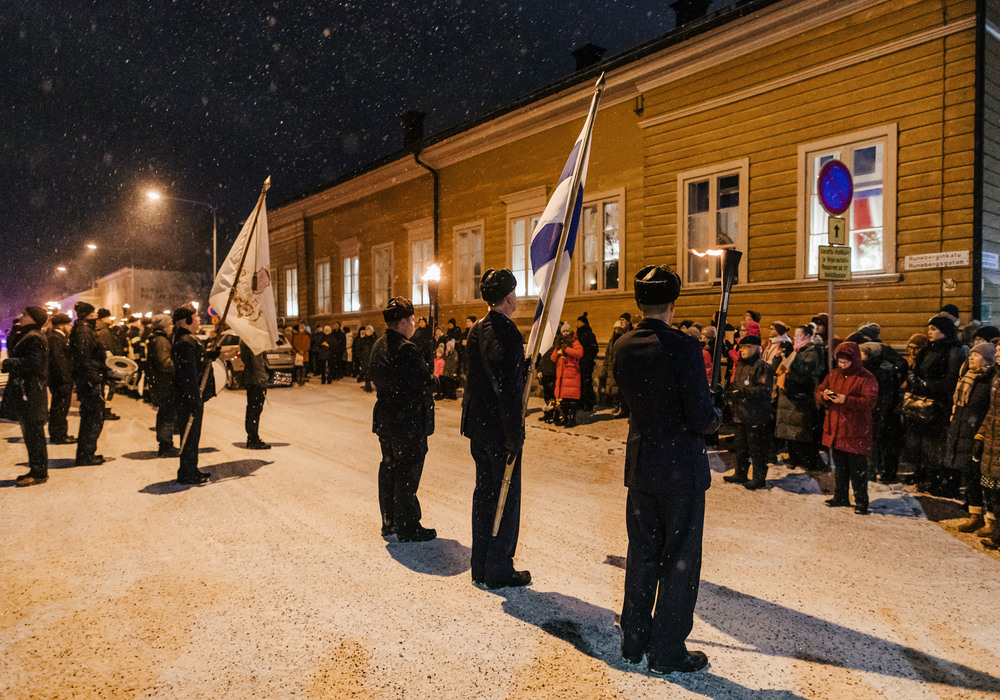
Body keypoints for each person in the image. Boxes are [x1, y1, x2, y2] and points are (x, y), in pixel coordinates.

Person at [613, 264, 721, 674]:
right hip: (680, 471)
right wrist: (716, 413)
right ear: (672, 306)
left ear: (639, 303)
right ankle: (667, 648)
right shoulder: (684, 347)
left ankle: (634, 639)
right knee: (679, 560)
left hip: (642, 466)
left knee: (641, 554)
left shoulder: (622, 345)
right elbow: (699, 416)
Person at [462, 268, 529, 589]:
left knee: (484, 495)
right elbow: (508, 390)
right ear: (509, 297)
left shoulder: (475, 330)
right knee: (505, 497)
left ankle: (480, 563)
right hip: (500, 430)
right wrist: (514, 432)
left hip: (478, 427)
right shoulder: (508, 332)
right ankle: (499, 566)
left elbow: (477, 381)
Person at [369, 297, 437, 542]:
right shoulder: (405, 348)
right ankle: (408, 525)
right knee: (407, 472)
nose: (415, 323)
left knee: (389, 467)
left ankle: (389, 521)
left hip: (386, 419)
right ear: (404, 322)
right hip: (407, 421)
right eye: (413, 319)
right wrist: (439, 381)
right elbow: (423, 382)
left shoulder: (378, 345)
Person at [903, 317, 966, 493]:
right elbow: (918, 370)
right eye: (929, 328)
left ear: (944, 331)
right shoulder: (928, 349)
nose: (929, 332)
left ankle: (936, 479)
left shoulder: (953, 351)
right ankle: (922, 474)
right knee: (919, 440)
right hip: (921, 402)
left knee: (934, 443)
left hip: (938, 404)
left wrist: (927, 385)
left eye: (933, 328)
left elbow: (951, 380)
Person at [817, 342, 878, 515]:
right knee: (840, 467)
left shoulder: (867, 378)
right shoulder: (834, 374)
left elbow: (870, 401)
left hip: (855, 430)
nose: (842, 365)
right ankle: (841, 496)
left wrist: (846, 400)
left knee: (858, 470)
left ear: (855, 360)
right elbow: (820, 390)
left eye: (846, 362)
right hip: (836, 429)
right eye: (840, 362)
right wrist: (825, 396)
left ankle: (861, 501)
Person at [3, 307, 51, 486]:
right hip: (28, 391)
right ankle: (36, 470)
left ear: (34, 319)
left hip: (31, 392)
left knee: (34, 434)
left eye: (26, 315)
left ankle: (39, 473)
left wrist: (6, 363)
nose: (22, 317)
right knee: (31, 433)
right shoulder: (28, 335)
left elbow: (33, 364)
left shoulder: (35, 338)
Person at [724, 335, 773, 489]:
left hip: (755, 415)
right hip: (740, 414)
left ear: (756, 349)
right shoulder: (740, 366)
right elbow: (736, 385)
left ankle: (759, 477)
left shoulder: (762, 366)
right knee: (741, 446)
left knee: (756, 448)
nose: (742, 350)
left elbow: (764, 390)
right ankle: (741, 472)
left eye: (746, 347)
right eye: (741, 347)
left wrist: (742, 392)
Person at [775, 325, 825, 470]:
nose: (796, 339)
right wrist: (780, 356)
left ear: (808, 336)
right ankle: (794, 457)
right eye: (795, 336)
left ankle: (805, 460)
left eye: (799, 336)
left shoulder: (811, 351)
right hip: (789, 395)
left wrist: (792, 355)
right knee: (791, 432)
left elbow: (804, 370)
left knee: (801, 431)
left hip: (801, 398)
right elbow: (781, 369)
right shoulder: (797, 351)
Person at [172, 306, 212, 485]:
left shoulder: (184, 340)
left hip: (187, 397)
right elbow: (188, 374)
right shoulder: (185, 342)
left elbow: (196, 362)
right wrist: (194, 399)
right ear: (187, 321)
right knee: (190, 435)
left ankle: (190, 468)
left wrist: (209, 355)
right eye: (196, 318)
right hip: (189, 399)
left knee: (191, 435)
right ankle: (187, 472)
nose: (198, 321)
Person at [70, 302, 107, 467]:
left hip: (89, 379)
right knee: (93, 418)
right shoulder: (84, 331)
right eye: (94, 313)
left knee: (92, 417)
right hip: (90, 381)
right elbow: (84, 359)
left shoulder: (83, 329)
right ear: (89, 314)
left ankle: (87, 452)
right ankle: (86, 455)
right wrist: (93, 378)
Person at [147, 314, 178, 457]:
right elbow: (164, 363)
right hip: (165, 384)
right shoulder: (161, 341)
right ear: (164, 326)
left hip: (161, 383)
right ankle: (166, 446)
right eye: (170, 324)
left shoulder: (157, 339)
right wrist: (178, 365)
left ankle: (165, 444)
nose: (172, 326)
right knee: (167, 415)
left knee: (165, 413)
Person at [46, 312, 75, 445]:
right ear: (62, 325)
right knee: (60, 407)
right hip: (60, 379)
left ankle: (60, 433)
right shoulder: (56, 338)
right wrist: (65, 377)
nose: (70, 327)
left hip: (60, 378)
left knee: (61, 406)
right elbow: (58, 360)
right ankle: (58, 435)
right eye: (68, 324)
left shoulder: (57, 336)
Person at [239, 339, 271, 449]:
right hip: (256, 381)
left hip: (250, 378)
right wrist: (263, 381)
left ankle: (251, 437)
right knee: (255, 410)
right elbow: (258, 363)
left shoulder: (244, 339)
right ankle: (253, 439)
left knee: (252, 409)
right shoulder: (255, 341)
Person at [552, 322, 584, 427]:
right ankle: (565, 418)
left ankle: (572, 419)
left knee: (572, 399)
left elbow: (579, 353)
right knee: (564, 400)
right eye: (563, 331)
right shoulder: (559, 343)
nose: (565, 333)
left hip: (571, 374)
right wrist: (558, 352)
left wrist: (566, 349)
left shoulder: (575, 342)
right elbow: (553, 358)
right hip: (561, 375)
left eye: (567, 331)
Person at [576, 312, 599, 411]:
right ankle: (580, 403)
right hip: (578, 363)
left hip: (586, 363)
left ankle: (589, 403)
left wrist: (588, 358)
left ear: (584, 323)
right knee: (579, 383)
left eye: (579, 322)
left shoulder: (589, 334)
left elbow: (594, 349)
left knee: (586, 383)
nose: (577, 324)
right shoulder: (577, 335)